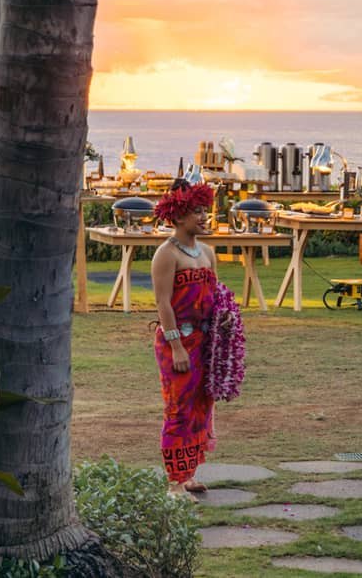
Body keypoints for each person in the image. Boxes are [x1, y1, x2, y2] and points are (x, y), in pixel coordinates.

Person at [150, 179, 219, 496]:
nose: (204, 217)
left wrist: (223, 322)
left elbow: (215, 295)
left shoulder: (207, 252)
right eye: (197, 211)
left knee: (200, 408)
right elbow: (163, 303)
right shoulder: (166, 255)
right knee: (178, 410)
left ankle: (189, 474)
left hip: (203, 343)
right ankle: (174, 483)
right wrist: (176, 346)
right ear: (178, 216)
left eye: (205, 210)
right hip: (176, 343)